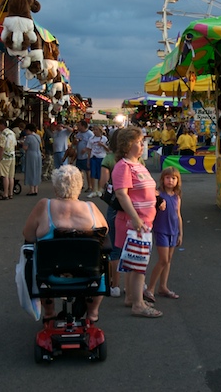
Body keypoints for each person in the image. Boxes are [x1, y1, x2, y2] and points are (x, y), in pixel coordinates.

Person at [22, 165, 108, 322]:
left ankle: (49, 313)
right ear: (80, 186)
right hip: (87, 276)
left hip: (51, 276)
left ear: (55, 187)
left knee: (36, 257)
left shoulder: (44, 206)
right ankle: (92, 313)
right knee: (101, 262)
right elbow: (104, 232)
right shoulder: (91, 208)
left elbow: (28, 235)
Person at [112, 126, 161, 318]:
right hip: (134, 223)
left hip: (143, 221)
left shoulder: (138, 165)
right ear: (127, 145)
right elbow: (121, 195)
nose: (142, 145)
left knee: (134, 262)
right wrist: (135, 218)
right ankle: (138, 304)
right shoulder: (123, 166)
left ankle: (131, 297)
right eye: (139, 142)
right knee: (139, 263)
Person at [145, 167, 183, 303]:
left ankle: (163, 286)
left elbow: (178, 216)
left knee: (168, 261)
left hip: (173, 231)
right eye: (168, 177)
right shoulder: (158, 195)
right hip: (161, 230)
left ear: (177, 180)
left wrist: (180, 233)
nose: (170, 180)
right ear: (163, 179)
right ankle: (150, 288)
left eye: (173, 178)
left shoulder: (176, 197)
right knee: (163, 260)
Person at [99, 129, 122, 297]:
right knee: (132, 245)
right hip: (134, 207)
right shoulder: (136, 160)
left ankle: (115, 284)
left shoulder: (109, 159)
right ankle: (134, 283)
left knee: (114, 245)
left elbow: (103, 184)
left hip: (115, 205)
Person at [0, 118, 17, 200]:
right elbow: (15, 144)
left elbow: (1, 147)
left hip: (5, 157)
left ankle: (5, 193)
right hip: (12, 156)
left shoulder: (3, 135)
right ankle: (11, 193)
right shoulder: (12, 133)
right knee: (11, 176)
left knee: (5, 176)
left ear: (2, 125)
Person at [86, 125, 109, 198]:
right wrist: (88, 160)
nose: (94, 131)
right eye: (94, 130)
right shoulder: (91, 139)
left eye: (96, 130)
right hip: (93, 157)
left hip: (101, 158)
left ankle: (99, 190)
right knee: (93, 174)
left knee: (100, 174)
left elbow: (108, 149)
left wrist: (102, 145)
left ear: (100, 130)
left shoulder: (104, 139)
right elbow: (89, 149)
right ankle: (93, 190)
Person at [23, 123, 42, 196]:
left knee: (31, 170)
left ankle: (31, 190)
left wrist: (22, 143)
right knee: (37, 170)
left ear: (28, 130)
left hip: (31, 155)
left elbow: (25, 148)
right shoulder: (38, 136)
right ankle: (36, 188)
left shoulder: (28, 137)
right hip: (38, 154)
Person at [75, 120, 94, 192]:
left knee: (87, 171)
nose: (78, 127)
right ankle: (81, 185)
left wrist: (86, 149)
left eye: (79, 125)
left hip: (86, 156)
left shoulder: (90, 134)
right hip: (79, 155)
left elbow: (92, 144)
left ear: (83, 126)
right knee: (79, 171)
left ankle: (90, 186)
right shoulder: (79, 134)